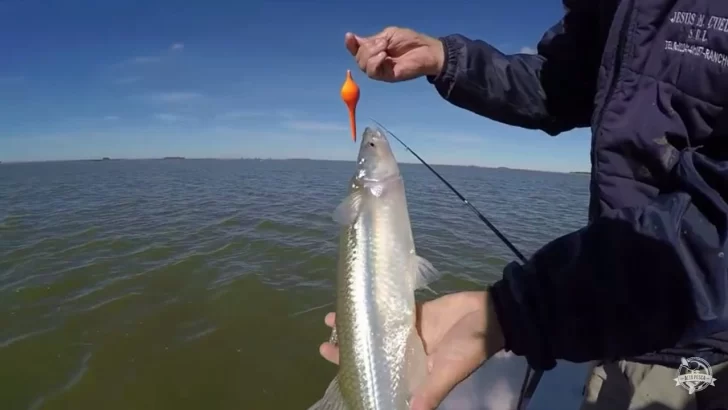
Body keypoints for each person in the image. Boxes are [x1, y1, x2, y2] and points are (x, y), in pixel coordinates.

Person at [319, 2, 728, 410]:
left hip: (701, 337)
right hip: (611, 316)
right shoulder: (612, 12)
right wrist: (445, 59)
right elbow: (557, 82)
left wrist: (521, 307)